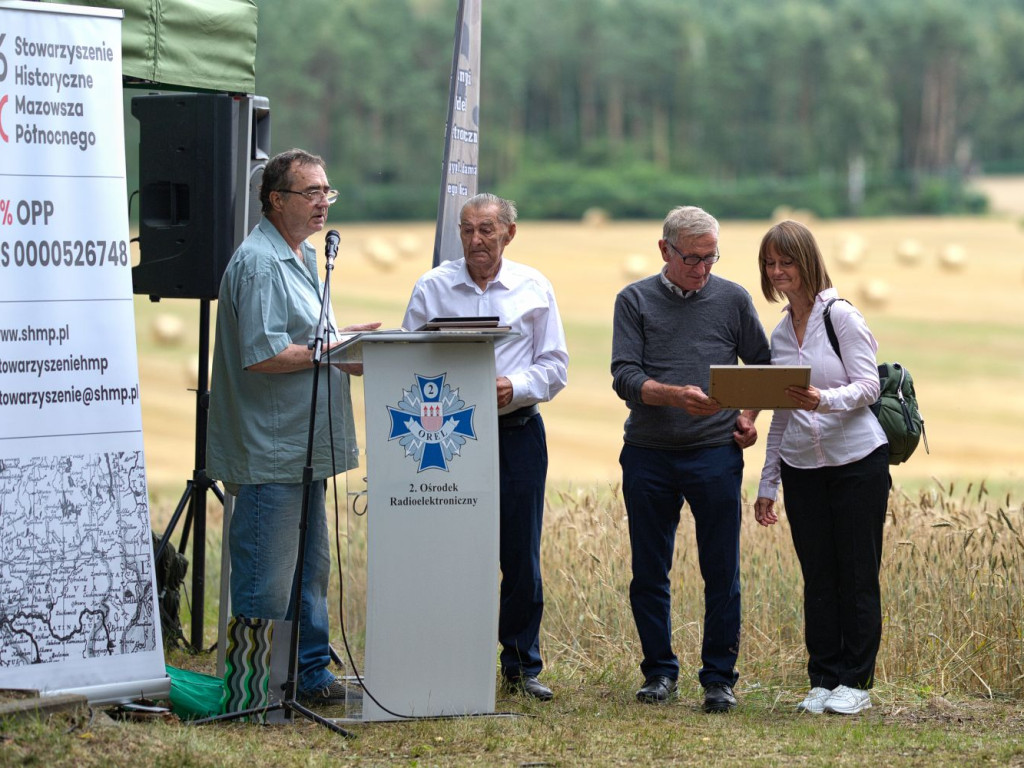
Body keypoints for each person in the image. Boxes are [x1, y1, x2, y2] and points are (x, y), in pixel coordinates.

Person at [207, 148, 379, 706]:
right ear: (276, 200)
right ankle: (253, 694)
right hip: (272, 450)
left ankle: (307, 677)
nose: (323, 202)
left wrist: (341, 342)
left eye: (327, 192)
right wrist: (333, 351)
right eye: (311, 192)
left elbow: (307, 340)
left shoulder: (300, 255)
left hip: (302, 446)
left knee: (309, 570)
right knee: (266, 575)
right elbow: (263, 354)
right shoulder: (261, 263)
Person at [402, 193, 569, 701]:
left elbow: (555, 366)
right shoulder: (432, 288)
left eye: (486, 230)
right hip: (446, 439)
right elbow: (407, 361)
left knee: (520, 555)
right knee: (450, 550)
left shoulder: (534, 287)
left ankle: (520, 666)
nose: (475, 240)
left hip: (517, 432)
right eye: (467, 230)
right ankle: (450, 658)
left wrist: (514, 386)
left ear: (509, 233)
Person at [611, 205, 770, 713]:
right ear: (665, 250)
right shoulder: (633, 300)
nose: (702, 269)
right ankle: (659, 673)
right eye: (692, 258)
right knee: (649, 571)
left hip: (715, 454)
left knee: (721, 571)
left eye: (711, 258)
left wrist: (747, 417)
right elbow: (624, 377)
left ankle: (719, 679)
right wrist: (673, 396)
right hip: (648, 455)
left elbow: (763, 366)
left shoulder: (733, 299)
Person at [753, 220, 890, 715]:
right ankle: (823, 678)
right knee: (818, 576)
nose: (777, 271)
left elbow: (869, 386)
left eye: (786, 262)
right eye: (770, 263)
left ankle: (856, 683)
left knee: (856, 573)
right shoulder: (779, 332)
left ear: (807, 262)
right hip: (801, 467)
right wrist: (767, 482)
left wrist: (822, 400)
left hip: (857, 461)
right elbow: (780, 411)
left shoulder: (842, 317)